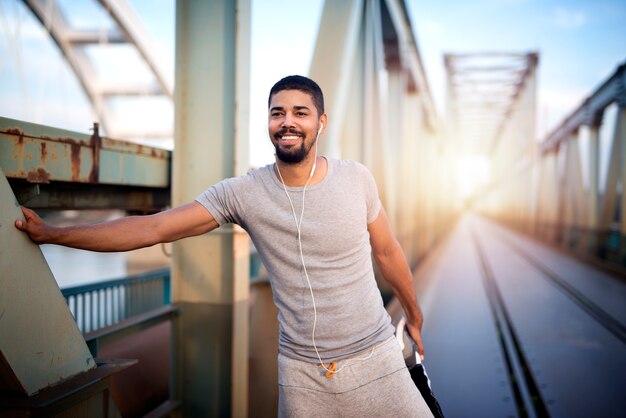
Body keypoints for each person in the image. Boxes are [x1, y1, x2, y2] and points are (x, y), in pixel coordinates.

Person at [16, 75, 434, 417]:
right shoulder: (243, 193)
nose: (287, 122)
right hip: (304, 377)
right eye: (277, 113)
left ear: (321, 123)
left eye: (300, 113)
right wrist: (56, 235)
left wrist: (413, 316)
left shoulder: (356, 178)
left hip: (377, 358)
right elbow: (155, 229)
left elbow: (387, 252)